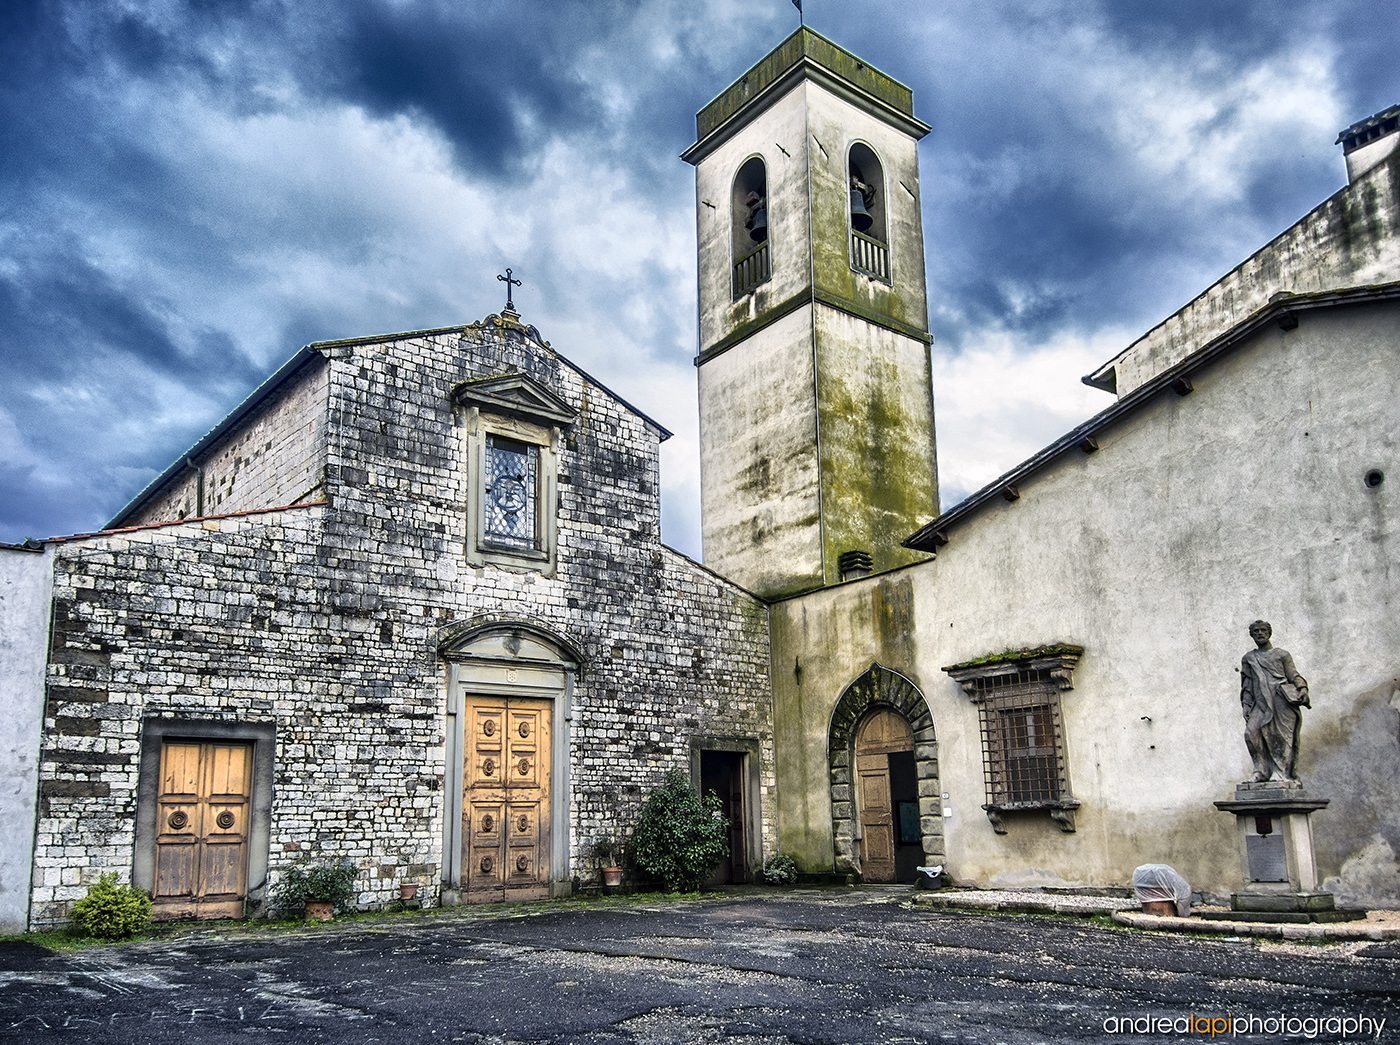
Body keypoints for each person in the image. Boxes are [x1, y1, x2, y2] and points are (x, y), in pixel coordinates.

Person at [1239, 620, 1310, 782]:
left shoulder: (1282, 655)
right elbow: (1247, 685)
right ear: (1252, 635)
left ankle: (1281, 773)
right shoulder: (1249, 658)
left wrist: (1302, 687)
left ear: (1269, 633)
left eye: (1263, 630)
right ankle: (1260, 771)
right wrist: (1246, 704)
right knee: (1251, 733)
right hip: (1260, 703)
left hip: (1280, 701)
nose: (1259, 633)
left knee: (1280, 737)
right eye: (1255, 631)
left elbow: (1293, 674)